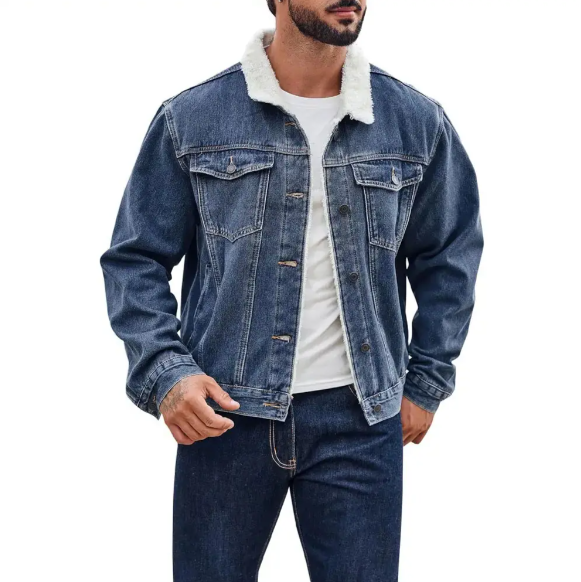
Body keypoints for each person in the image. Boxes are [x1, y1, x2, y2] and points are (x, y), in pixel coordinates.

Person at [100, 1, 484, 580]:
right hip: (225, 414)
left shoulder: (415, 121)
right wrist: (167, 374)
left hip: (361, 422)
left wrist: (427, 381)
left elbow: (449, 257)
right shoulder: (193, 118)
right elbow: (136, 259)